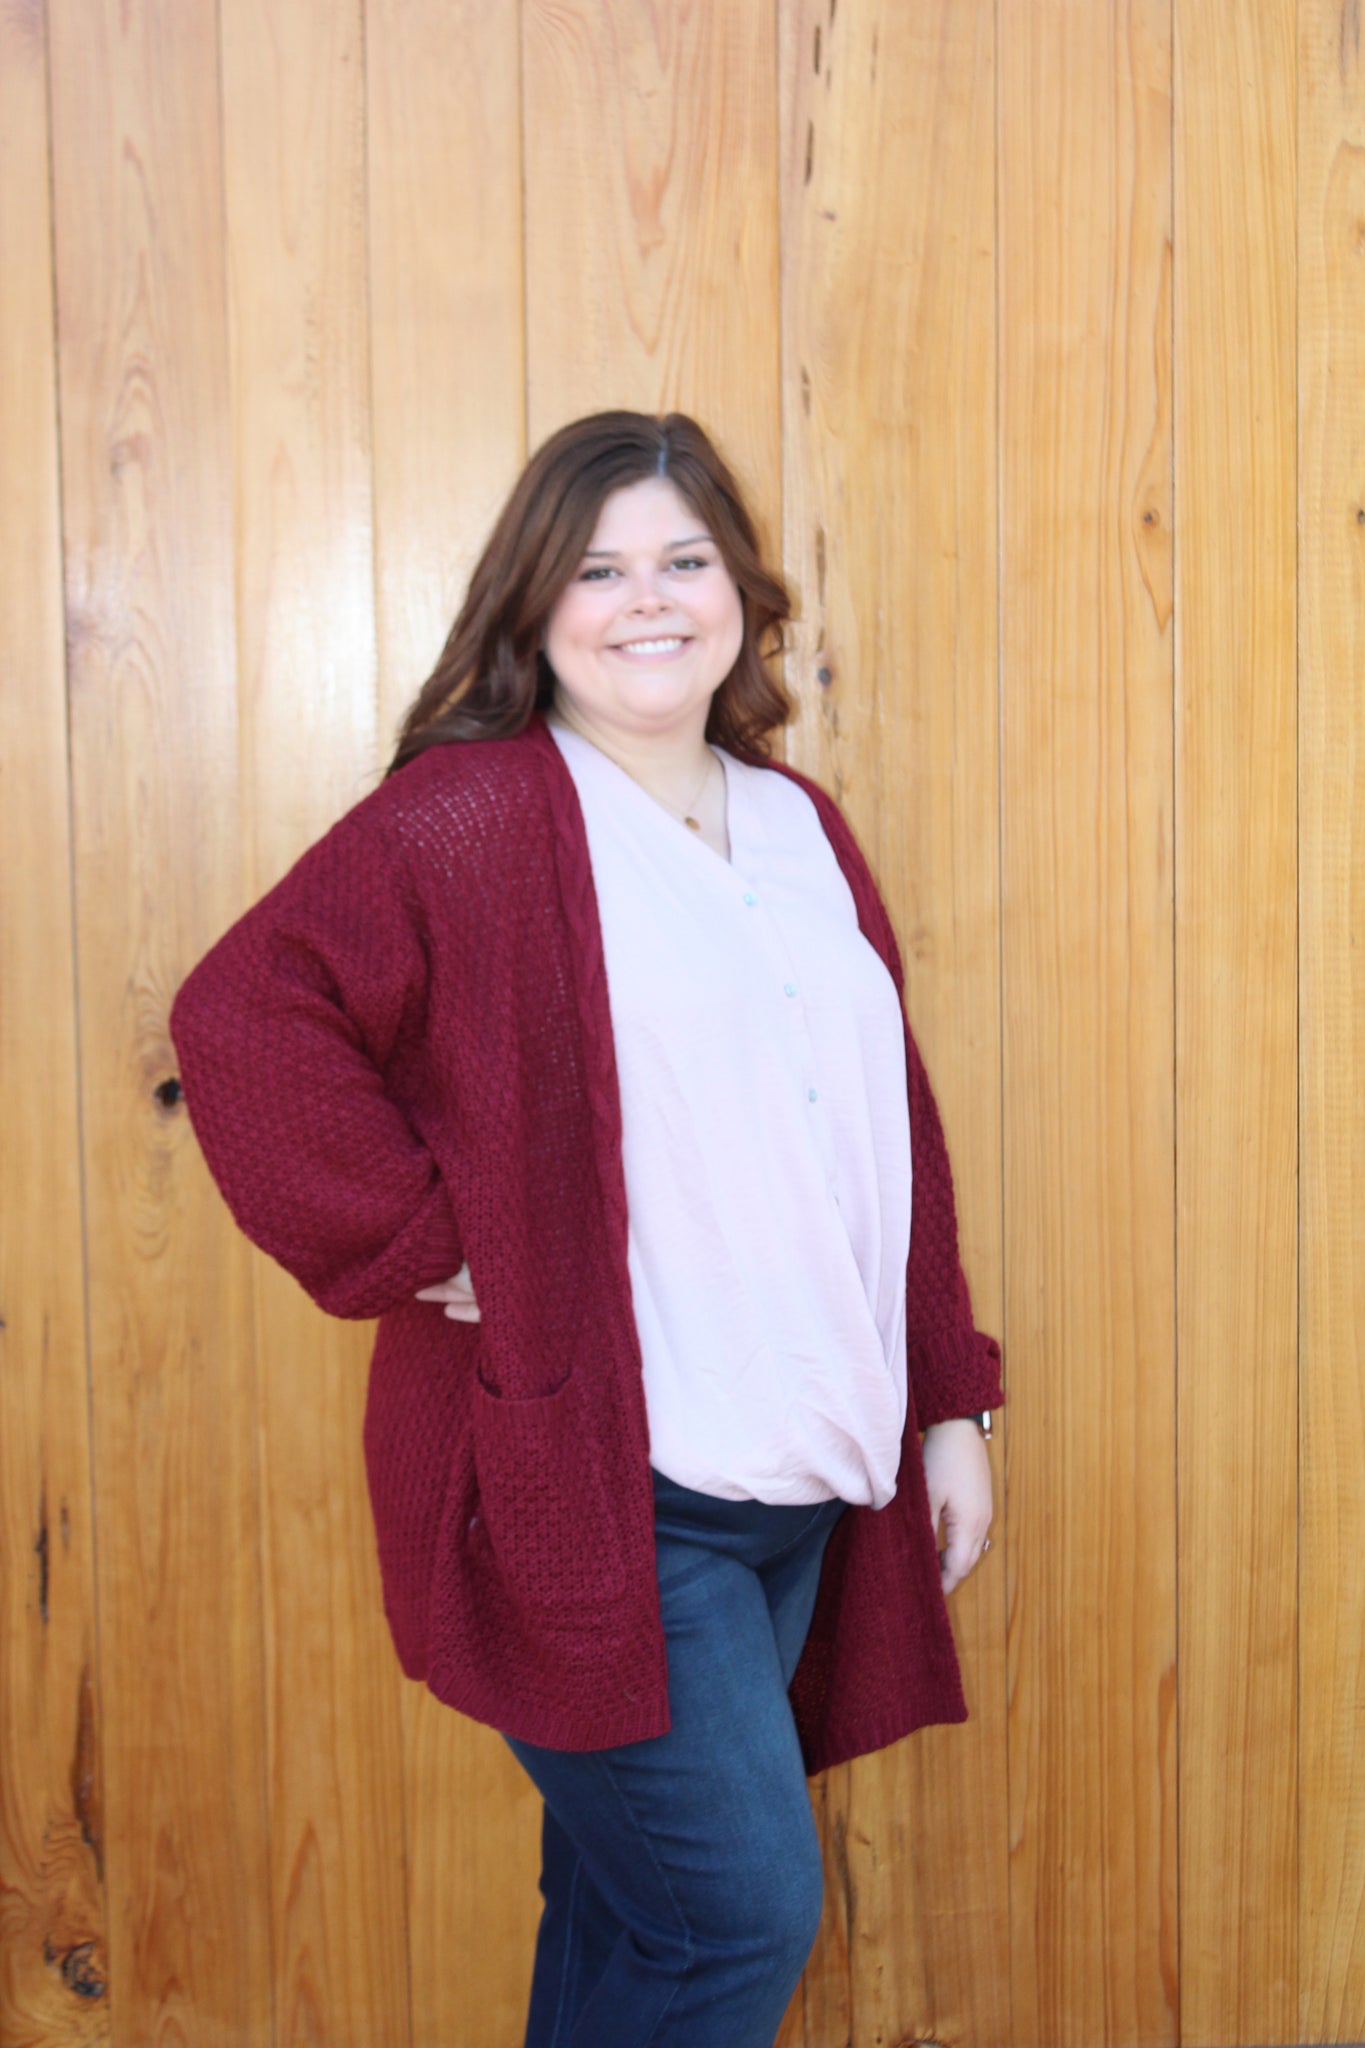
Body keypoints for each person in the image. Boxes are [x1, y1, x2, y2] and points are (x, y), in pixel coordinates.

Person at [169, 409, 1003, 2048]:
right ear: (535, 603)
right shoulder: (478, 818)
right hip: (607, 1489)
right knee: (731, 1923)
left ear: (738, 592)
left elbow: (883, 1133)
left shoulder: (798, 826)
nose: (648, 601)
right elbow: (242, 1015)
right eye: (599, 570)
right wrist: (426, 1241)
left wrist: (947, 1403)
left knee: (632, 1916)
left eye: (683, 561)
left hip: (796, 1477)